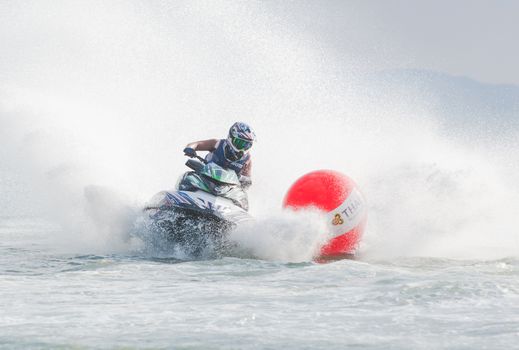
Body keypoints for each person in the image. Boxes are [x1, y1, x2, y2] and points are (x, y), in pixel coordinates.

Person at [183, 122, 256, 188]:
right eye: (240, 143)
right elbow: (196, 144)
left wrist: (245, 180)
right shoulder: (217, 144)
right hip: (203, 180)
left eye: (247, 145)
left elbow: (247, 181)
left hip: (225, 190)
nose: (243, 148)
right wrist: (190, 149)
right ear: (230, 138)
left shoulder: (247, 159)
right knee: (186, 179)